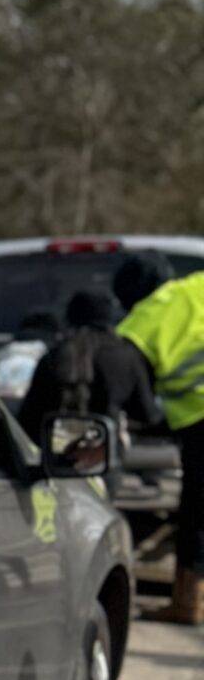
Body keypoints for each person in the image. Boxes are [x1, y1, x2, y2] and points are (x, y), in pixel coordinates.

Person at [116, 251, 204, 626]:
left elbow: (135, 395)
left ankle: (189, 602)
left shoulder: (138, 324)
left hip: (198, 421)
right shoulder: (198, 284)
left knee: (197, 514)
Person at [15, 287, 162, 448]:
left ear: (70, 318)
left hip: (59, 453)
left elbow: (29, 418)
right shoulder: (126, 356)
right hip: (108, 453)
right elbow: (148, 415)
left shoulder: (55, 356)